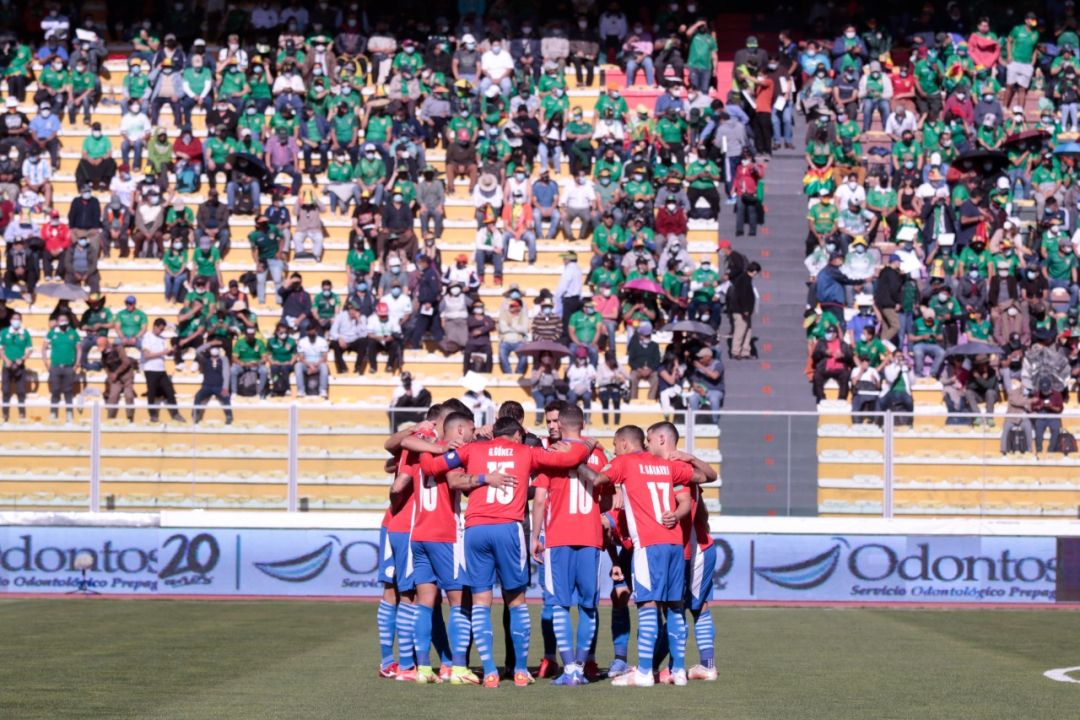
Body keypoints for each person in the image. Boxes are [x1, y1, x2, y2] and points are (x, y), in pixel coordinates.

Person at [422, 415, 593, 688]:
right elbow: (568, 460)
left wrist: (441, 444)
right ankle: (521, 671)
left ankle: (490, 671)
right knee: (516, 600)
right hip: (508, 528)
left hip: (476, 529)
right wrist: (587, 446)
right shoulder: (526, 451)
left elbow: (432, 467)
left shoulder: (472, 449)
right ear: (516, 435)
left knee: (480, 601)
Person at [594, 423, 708, 688]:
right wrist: (690, 458)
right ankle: (678, 670)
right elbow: (704, 477)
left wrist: (576, 461)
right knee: (675, 607)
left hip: (647, 544)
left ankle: (644, 671)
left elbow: (598, 478)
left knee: (647, 606)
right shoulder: (668, 466)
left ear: (623, 444)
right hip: (675, 543)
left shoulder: (626, 463)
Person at [142, 318, 184, 423]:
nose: (161, 331)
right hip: (150, 369)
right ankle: (153, 415)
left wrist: (171, 352)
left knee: (170, 392)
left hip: (161, 369)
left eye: (163, 329)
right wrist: (162, 353)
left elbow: (165, 353)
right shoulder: (147, 337)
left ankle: (175, 413)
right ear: (155, 326)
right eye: (160, 329)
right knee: (151, 393)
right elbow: (146, 355)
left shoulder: (162, 339)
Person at [43, 314, 79, 423]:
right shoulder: (52, 333)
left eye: (65, 319)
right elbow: (43, 348)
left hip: (69, 367)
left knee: (68, 391)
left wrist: (76, 364)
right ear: (57, 321)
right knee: (55, 391)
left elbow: (79, 349)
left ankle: (69, 413)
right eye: (61, 319)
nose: (63, 321)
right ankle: (53, 413)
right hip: (55, 366)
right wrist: (46, 362)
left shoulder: (73, 333)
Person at [0, 311, 31, 421]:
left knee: (21, 391)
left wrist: (22, 359)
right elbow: (0, 349)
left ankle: (22, 414)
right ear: (10, 320)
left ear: (21, 320)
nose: (16, 321)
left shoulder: (25, 333)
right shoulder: (4, 332)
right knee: (6, 391)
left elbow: (29, 350)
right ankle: (5, 414)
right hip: (7, 365)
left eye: (18, 319)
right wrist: (6, 359)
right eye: (14, 319)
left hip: (20, 366)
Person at [192, 342, 233, 425]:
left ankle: (229, 416)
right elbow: (197, 351)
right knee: (197, 396)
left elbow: (226, 373)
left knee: (226, 397)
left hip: (219, 386)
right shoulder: (205, 358)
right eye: (212, 348)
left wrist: (225, 387)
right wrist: (209, 344)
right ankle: (196, 414)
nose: (214, 350)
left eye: (216, 348)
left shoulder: (223, 359)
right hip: (206, 386)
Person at [688, 346, 725, 423]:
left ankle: (715, 421)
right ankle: (695, 420)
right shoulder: (698, 368)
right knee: (692, 398)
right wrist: (699, 390)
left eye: (701, 358)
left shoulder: (718, 365)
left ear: (708, 357)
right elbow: (694, 384)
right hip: (702, 390)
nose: (700, 360)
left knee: (714, 399)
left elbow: (714, 376)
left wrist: (701, 367)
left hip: (715, 390)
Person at [330, 303, 368, 375]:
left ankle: (358, 367)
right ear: (348, 309)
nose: (353, 311)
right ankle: (343, 368)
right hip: (343, 341)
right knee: (334, 343)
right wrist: (339, 338)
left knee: (364, 341)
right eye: (351, 309)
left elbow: (364, 335)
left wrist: (358, 320)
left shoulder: (362, 318)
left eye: (356, 310)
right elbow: (333, 331)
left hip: (354, 341)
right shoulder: (340, 316)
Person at [231, 326, 269, 398]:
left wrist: (257, 362)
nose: (251, 336)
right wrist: (241, 363)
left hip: (256, 364)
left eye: (252, 334)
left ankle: (260, 393)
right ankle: (234, 392)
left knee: (264, 370)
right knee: (233, 370)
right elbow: (234, 357)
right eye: (249, 334)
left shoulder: (259, 342)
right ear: (245, 334)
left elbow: (264, 357)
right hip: (243, 364)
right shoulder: (240, 342)